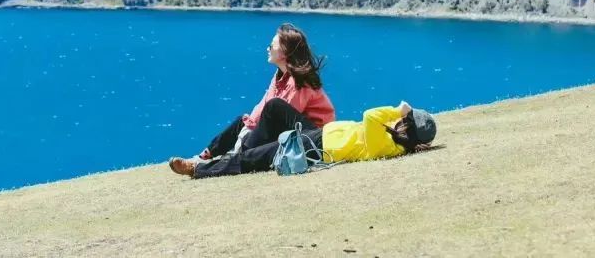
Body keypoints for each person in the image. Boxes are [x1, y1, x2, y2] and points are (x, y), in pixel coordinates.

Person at [169, 98, 436, 179]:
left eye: (406, 119)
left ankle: (199, 169)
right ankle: (227, 152)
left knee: (255, 158)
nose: (400, 117)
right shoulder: (391, 140)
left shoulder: (388, 145)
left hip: (316, 146)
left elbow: (369, 116)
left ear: (407, 126)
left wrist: (397, 109)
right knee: (273, 113)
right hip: (318, 137)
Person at [191, 23, 335, 162]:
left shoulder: (299, 81)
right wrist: (248, 126)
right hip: (294, 128)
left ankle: (240, 156)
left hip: (315, 136)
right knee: (243, 121)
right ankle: (205, 155)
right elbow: (263, 105)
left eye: (271, 45)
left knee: (271, 110)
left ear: (285, 51)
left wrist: (251, 134)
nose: (268, 48)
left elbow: (280, 117)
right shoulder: (280, 75)